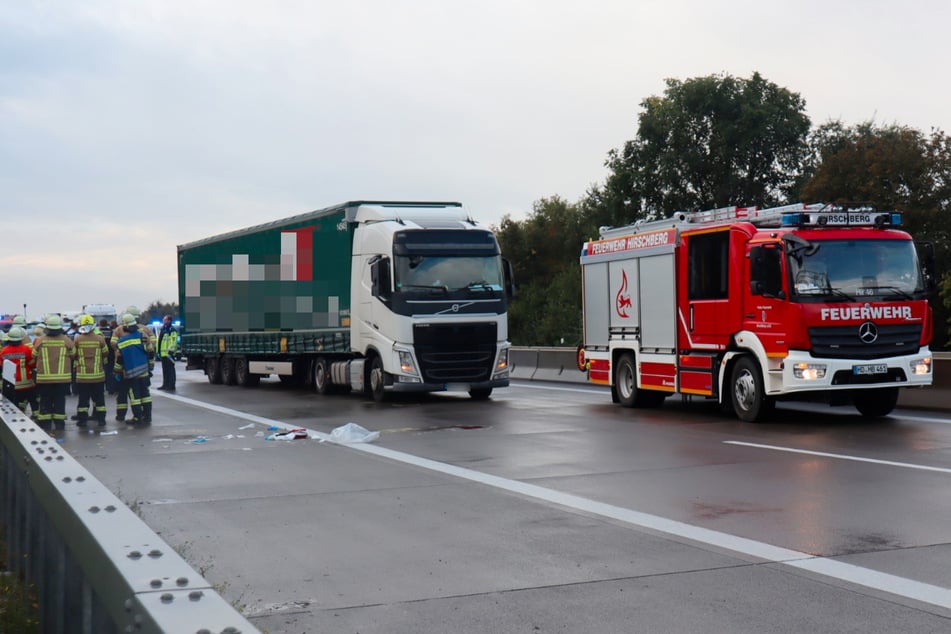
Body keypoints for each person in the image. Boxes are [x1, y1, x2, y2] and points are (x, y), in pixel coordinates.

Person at [33, 314, 75, 431]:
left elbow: (34, 355)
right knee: (59, 400)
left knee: (45, 400)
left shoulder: (41, 340)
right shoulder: (66, 340)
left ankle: (45, 423)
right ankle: (59, 423)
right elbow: (73, 355)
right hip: (62, 379)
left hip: (44, 378)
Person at [114, 313, 152, 424]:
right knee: (146, 395)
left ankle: (137, 417)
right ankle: (148, 416)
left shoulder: (121, 342)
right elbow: (150, 352)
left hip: (131, 374)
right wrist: (150, 367)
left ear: (125, 326)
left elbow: (120, 361)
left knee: (135, 396)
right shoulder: (143, 336)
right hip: (144, 372)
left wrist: (116, 372)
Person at [72, 314, 109, 427]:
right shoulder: (100, 338)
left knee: (83, 399)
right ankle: (101, 420)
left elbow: (73, 354)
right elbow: (106, 352)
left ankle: (82, 421)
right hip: (98, 375)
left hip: (83, 376)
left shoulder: (78, 339)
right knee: (99, 399)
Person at [0, 326, 36, 416]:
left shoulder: (4, 351)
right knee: (32, 399)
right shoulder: (27, 349)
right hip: (26, 383)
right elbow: (32, 364)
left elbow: (1, 365)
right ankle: (36, 414)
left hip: (11, 384)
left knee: (14, 405)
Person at [157, 314, 178, 391]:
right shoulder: (163, 329)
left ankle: (171, 385)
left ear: (169, 321)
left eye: (165, 320)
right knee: (165, 370)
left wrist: (170, 352)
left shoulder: (172, 330)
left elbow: (174, 342)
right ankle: (165, 384)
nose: (163, 321)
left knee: (171, 371)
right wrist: (158, 351)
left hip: (169, 354)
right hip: (163, 354)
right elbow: (159, 342)